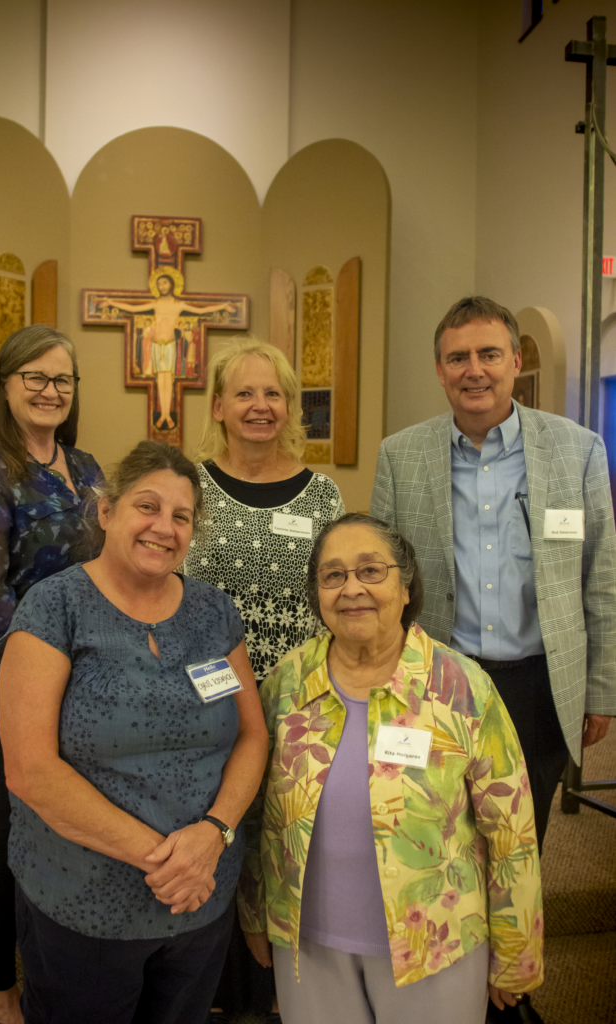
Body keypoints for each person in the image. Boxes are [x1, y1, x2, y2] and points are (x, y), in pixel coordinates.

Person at [369, 296, 616, 1022]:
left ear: (515, 361)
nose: (472, 371)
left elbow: (600, 575)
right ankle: (441, 988)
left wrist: (600, 688)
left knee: (521, 843)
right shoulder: (400, 454)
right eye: (456, 357)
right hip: (437, 688)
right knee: (437, 839)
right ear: (439, 370)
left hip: (539, 683)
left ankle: (508, 991)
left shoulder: (576, 450)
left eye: (487, 355)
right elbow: (384, 580)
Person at [0, 440, 269, 1024]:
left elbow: (252, 737)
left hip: (199, 903)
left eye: (181, 516)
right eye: (147, 506)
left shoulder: (215, 612)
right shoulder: (55, 608)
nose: (163, 527)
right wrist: (171, 862)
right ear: (107, 511)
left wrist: (213, 835)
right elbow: (29, 769)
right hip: (84, 902)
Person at [238, 513, 543, 1024]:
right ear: (317, 596)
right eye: (333, 576)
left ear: (406, 587)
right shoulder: (286, 684)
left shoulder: (461, 687)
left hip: (435, 944)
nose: (351, 588)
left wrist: (517, 951)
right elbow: (257, 815)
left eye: (370, 571)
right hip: (308, 944)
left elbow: (512, 831)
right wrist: (255, 913)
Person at [0, 325, 102, 1024]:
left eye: (61, 379)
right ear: (4, 384)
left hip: (87, 685)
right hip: (4, 687)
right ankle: (0, 994)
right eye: (34, 377)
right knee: (3, 832)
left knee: (67, 831)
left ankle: (54, 977)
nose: (49, 390)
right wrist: (55, 669)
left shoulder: (90, 469)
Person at [185, 337, 345, 685]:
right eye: (244, 394)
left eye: (273, 394)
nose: (261, 406)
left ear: (288, 406)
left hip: (299, 687)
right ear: (217, 407)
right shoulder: (188, 489)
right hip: (205, 685)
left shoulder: (322, 495)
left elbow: (339, 592)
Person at [98, 270, 236, 430]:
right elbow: (133, 309)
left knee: (167, 382)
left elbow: (201, 310)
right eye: (159, 283)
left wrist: (223, 306)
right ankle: (163, 414)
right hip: (156, 345)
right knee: (160, 381)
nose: (162, 286)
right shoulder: (155, 303)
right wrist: (111, 303)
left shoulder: (178, 305)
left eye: (165, 282)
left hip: (170, 346)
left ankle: (167, 414)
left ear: (171, 284)